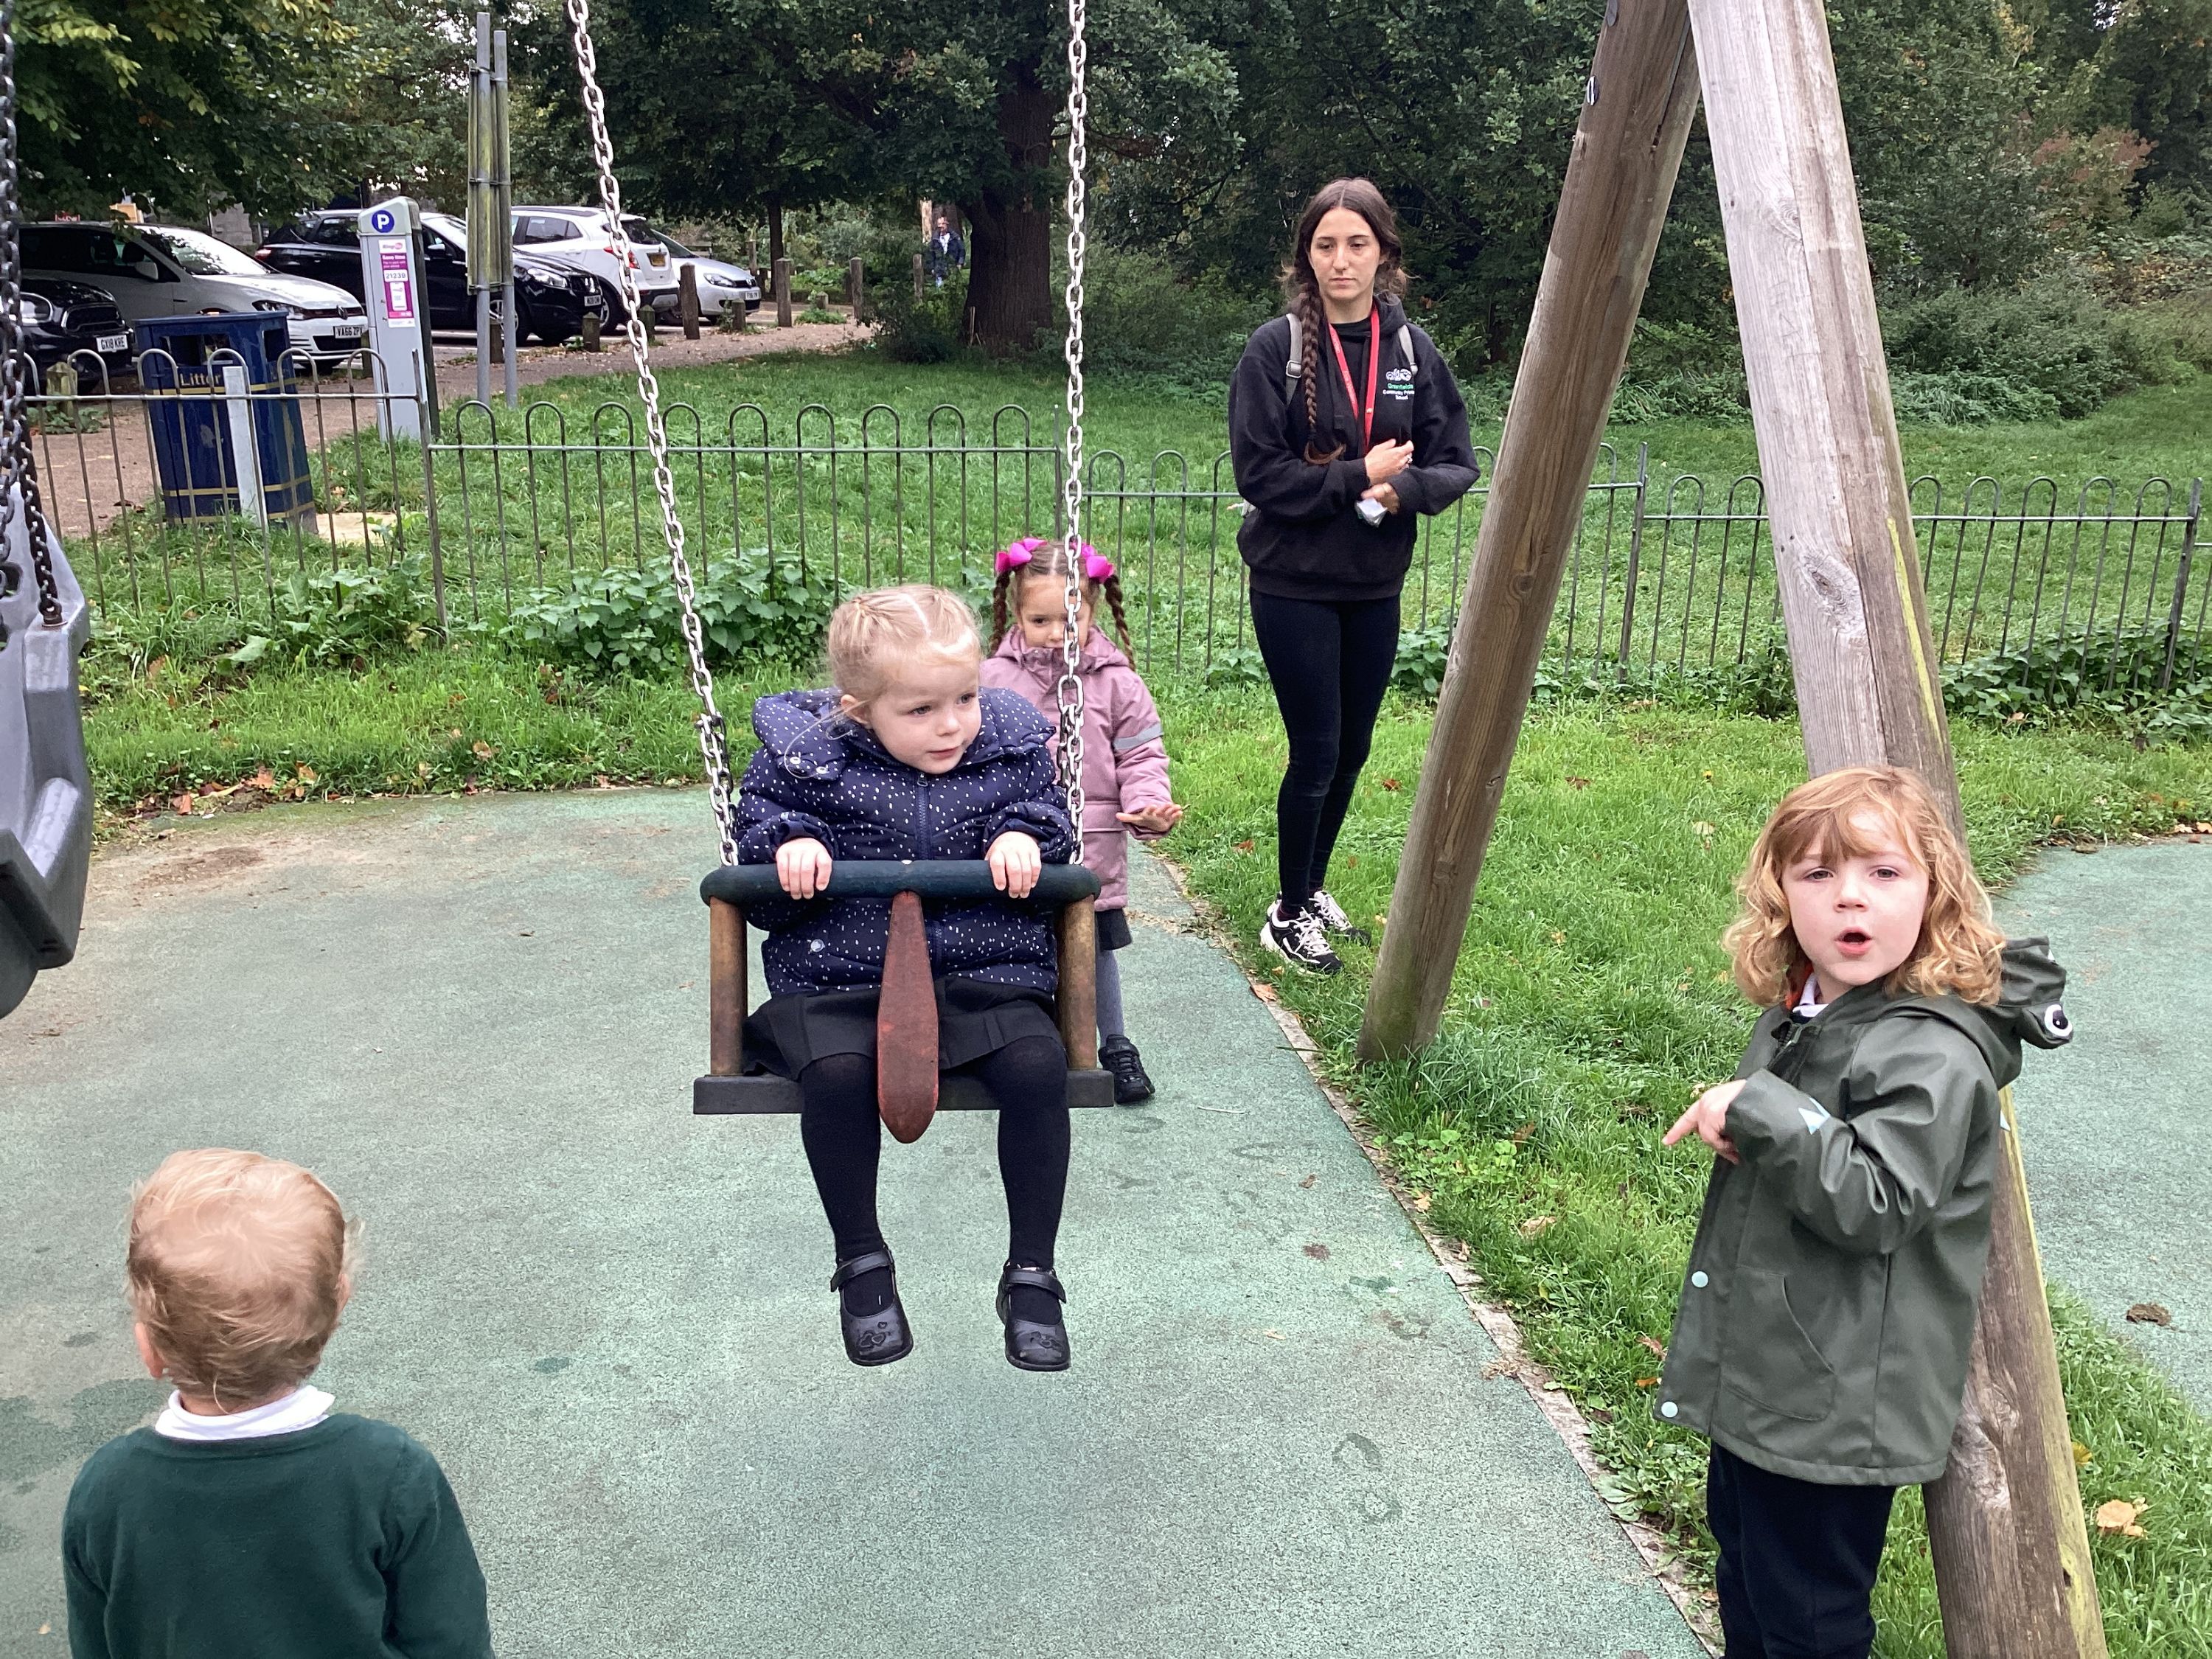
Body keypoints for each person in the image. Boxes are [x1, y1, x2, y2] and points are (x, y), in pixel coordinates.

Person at [1655, 765, 2076, 1659]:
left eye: (1884, 873)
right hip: (1777, 1370)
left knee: (1809, 1616)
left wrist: (1762, 1111)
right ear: (1781, 896)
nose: (1851, 896)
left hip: (1836, 1399)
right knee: (1748, 1575)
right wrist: (1759, 1123)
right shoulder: (1816, 1008)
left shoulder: (1931, 1050)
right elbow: (1808, 1144)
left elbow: (1877, 1201)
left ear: (1934, 892)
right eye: (1818, 874)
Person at [737, 584, 1080, 1371]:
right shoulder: (807, 764)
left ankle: (1033, 1273)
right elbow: (760, 840)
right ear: (859, 711)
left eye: (964, 698)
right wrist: (789, 847)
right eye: (920, 709)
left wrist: (1025, 838)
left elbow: (1049, 818)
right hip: (839, 979)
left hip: (983, 972)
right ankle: (862, 1261)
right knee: (834, 1077)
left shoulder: (1011, 752)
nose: (952, 724)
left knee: (1038, 1067)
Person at [62, 1149, 492, 1659]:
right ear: (337, 1307)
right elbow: (454, 1642)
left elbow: (96, 1644)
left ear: (149, 1349)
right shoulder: (389, 1473)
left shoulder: (106, 1490)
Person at [1228, 177, 1481, 975]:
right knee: (1317, 749)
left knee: (1354, 750)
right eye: (1326, 244)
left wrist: (1403, 490)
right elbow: (1260, 476)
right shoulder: (1274, 351)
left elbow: (1456, 460)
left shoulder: (1411, 352)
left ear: (1383, 254)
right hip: (1293, 583)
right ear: (1307, 256)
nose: (1341, 260)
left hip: (1374, 583)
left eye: (1357, 244)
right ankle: (1286, 913)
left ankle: (1311, 887)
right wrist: (1357, 476)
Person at [981, 536, 1182, 1105]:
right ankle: (1019, 1042)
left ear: (1093, 611)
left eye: (1070, 621)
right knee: (1015, 944)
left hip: (1092, 844)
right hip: (1012, 844)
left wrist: (1148, 806)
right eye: (1039, 620)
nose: (1055, 634)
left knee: (1094, 950)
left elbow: (1141, 758)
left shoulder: (1118, 683)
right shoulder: (991, 679)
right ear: (1016, 613)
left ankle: (1115, 1045)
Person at [925, 214, 964, 288]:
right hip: (939, 271)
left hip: (952, 269)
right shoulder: (935, 240)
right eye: (939, 224)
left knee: (953, 289)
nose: (941, 226)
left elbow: (962, 250)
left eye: (943, 224)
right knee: (940, 290)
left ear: (947, 224)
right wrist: (932, 268)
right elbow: (931, 255)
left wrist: (960, 263)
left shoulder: (955, 238)